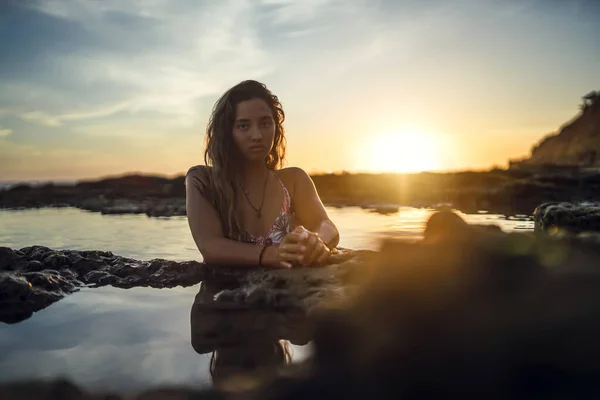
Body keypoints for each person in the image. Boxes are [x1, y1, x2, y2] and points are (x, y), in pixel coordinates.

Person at [186, 80, 340, 268]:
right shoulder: (203, 181)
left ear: (276, 128)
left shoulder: (294, 180)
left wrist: (318, 242)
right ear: (227, 132)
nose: (257, 135)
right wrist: (275, 254)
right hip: (224, 295)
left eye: (265, 123)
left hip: (291, 293)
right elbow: (210, 247)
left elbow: (327, 225)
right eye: (244, 126)